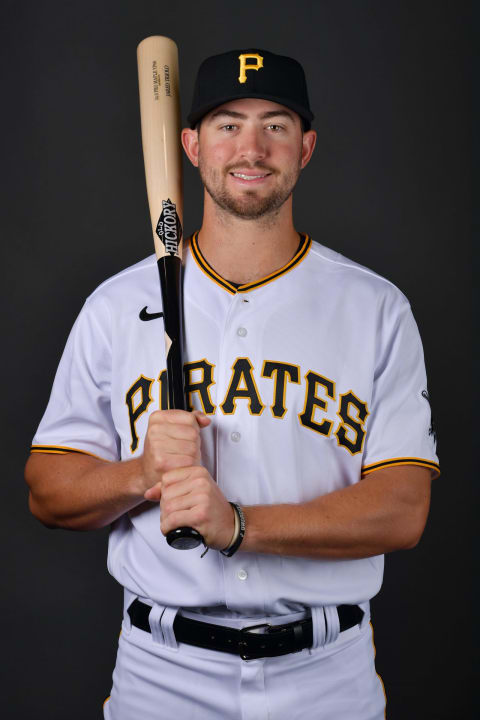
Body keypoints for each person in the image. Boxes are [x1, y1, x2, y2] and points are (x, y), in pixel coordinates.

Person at [25, 48, 439, 720]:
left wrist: (240, 525)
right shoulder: (114, 304)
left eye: (275, 125)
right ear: (189, 145)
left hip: (326, 680)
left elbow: (402, 508)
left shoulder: (374, 307)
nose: (252, 147)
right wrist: (140, 475)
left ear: (305, 147)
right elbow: (47, 489)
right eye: (227, 124)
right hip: (162, 677)